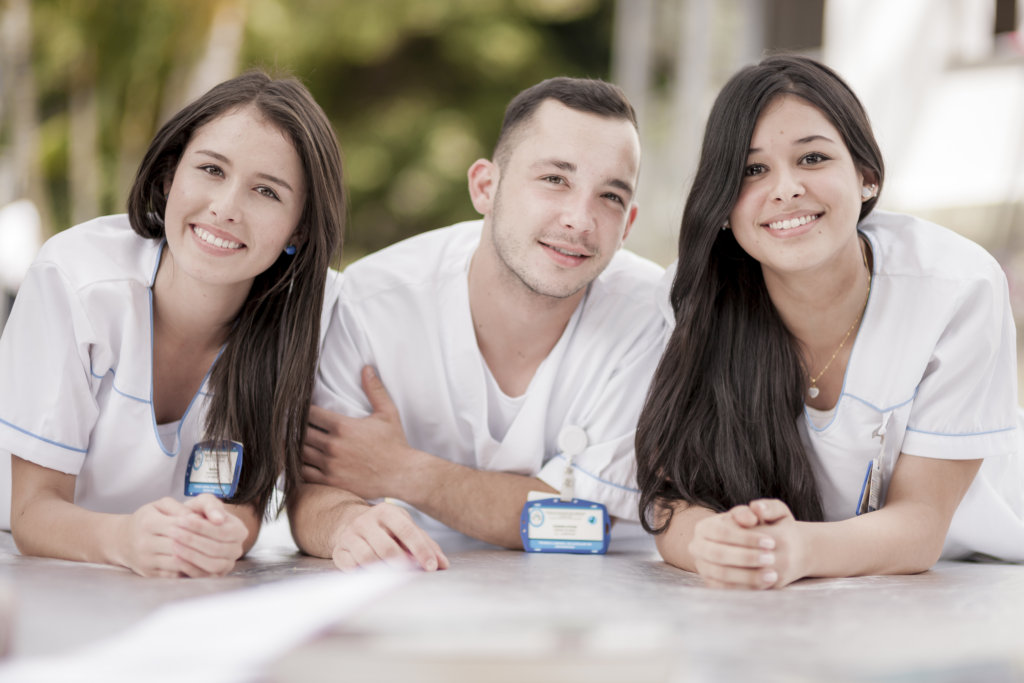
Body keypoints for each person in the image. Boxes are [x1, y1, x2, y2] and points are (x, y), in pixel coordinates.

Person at [635, 54, 1024, 589]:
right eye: (752, 170)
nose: (786, 188)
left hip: (982, 579)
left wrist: (792, 549)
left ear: (866, 176)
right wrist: (716, 543)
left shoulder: (956, 287)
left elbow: (921, 527)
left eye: (813, 158)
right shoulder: (695, 293)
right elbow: (673, 502)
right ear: (723, 203)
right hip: (818, 588)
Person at [289, 77, 668, 570]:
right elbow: (316, 486)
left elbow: (582, 522)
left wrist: (402, 471)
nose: (580, 218)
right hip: (420, 586)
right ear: (485, 187)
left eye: (610, 197)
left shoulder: (652, 320)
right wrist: (344, 524)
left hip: (601, 598)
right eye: (555, 179)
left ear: (628, 226)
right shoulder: (371, 305)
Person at [0, 70, 360, 578]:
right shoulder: (75, 279)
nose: (225, 208)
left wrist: (223, 532)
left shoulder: (318, 314)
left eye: (266, 191)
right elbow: (31, 513)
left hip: (168, 583)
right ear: (170, 177)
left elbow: (246, 502)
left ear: (298, 228)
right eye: (212, 170)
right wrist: (127, 539)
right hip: (31, 569)